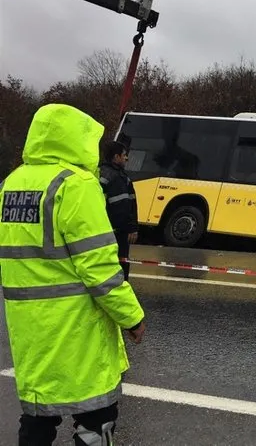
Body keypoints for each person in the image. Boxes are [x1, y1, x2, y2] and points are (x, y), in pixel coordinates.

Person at [0, 103, 146, 446]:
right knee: (96, 418)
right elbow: (100, 269)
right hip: (76, 329)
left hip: (29, 329)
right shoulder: (77, 185)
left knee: (38, 417)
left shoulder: (11, 184)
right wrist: (132, 318)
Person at [99, 140, 139, 282]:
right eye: (124, 155)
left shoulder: (99, 172)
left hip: (101, 229)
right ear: (116, 157)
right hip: (117, 233)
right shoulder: (118, 178)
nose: (126, 158)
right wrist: (131, 228)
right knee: (120, 268)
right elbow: (123, 208)